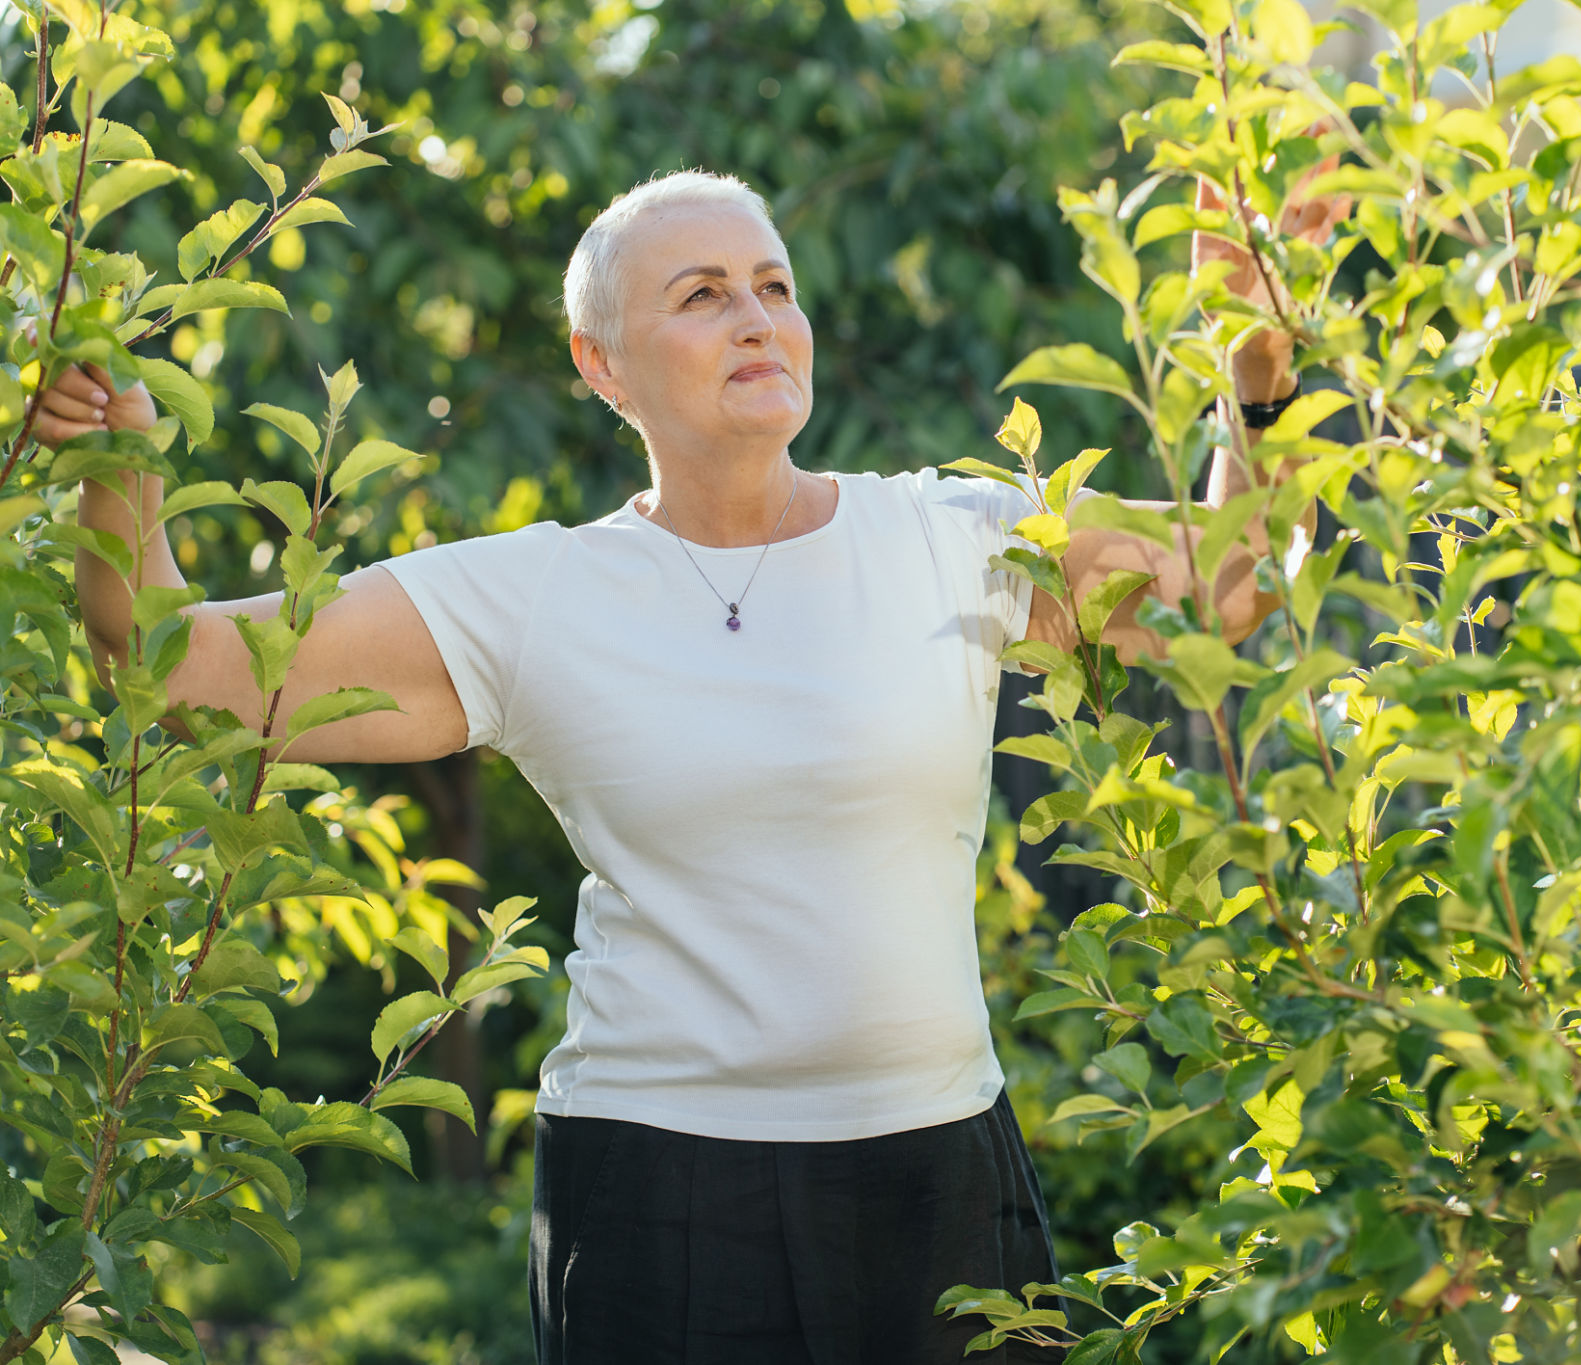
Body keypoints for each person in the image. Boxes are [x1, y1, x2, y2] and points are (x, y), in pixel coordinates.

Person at [49, 165, 1343, 1363]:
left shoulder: (951, 538)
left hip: (938, 1178)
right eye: (704, 293)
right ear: (601, 363)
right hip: (661, 1199)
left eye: (776, 286)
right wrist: (120, 464)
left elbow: (1226, 585)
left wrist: (1261, 374)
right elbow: (183, 674)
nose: (757, 318)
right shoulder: (537, 595)